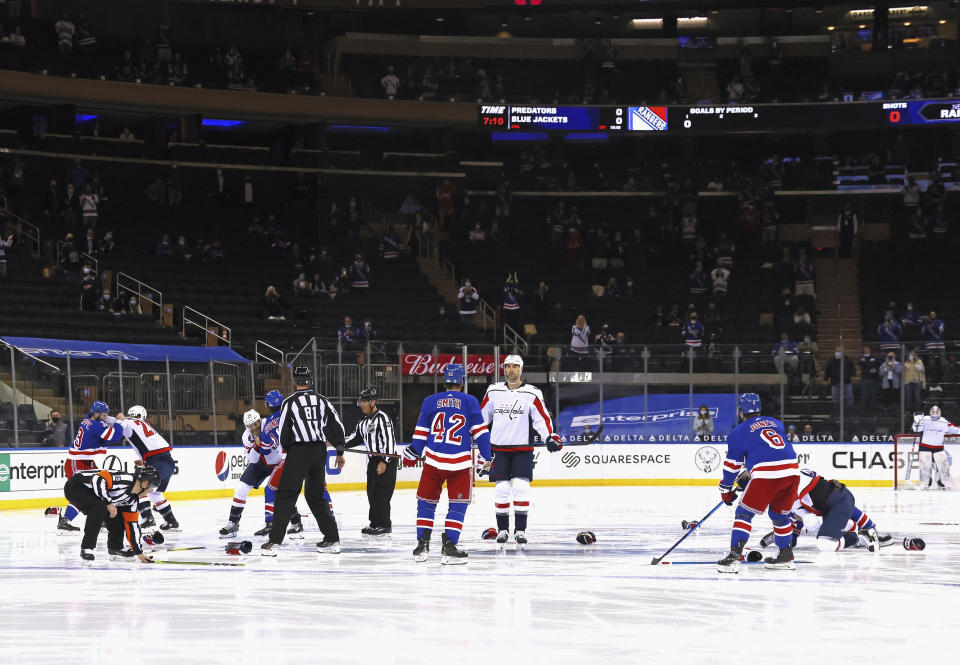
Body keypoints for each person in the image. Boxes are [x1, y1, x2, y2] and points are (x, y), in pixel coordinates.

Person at [403, 364, 492, 564]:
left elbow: (421, 433)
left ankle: (422, 545)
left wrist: (413, 451)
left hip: (433, 460)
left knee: (425, 503)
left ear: (445, 381)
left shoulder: (430, 401)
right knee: (457, 506)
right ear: (462, 381)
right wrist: (487, 456)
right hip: (460, 464)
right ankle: (449, 547)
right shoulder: (470, 401)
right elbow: (480, 433)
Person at [480, 355, 562, 548]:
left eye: (515, 366)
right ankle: (502, 530)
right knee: (501, 490)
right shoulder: (493, 390)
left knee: (520, 488)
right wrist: (474, 437)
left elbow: (541, 419)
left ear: (521, 370)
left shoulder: (532, 393)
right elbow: (482, 418)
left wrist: (549, 437)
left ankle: (520, 531)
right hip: (498, 449)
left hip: (522, 449)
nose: (511, 370)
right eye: (507, 366)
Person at [262, 367, 346, 556]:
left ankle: (274, 542)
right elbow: (337, 425)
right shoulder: (323, 400)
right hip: (319, 450)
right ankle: (332, 539)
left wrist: (292, 451)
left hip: (299, 451)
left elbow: (284, 432)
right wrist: (339, 449)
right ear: (310, 380)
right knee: (316, 496)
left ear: (295, 382)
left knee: (285, 495)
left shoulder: (289, 402)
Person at [716, 393, 800, 573]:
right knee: (779, 515)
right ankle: (786, 555)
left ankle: (733, 557)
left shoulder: (737, 433)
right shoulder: (776, 423)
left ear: (740, 412)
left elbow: (732, 466)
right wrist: (750, 472)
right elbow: (769, 450)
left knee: (743, 514)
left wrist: (725, 489)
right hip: (793, 472)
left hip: (767, 475)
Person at [220, 392, 306, 539]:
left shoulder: (270, 423)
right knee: (241, 489)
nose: (254, 427)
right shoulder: (246, 437)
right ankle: (233, 524)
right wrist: (257, 445)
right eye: (250, 426)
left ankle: (296, 523)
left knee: (281, 493)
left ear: (260, 420)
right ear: (246, 426)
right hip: (260, 463)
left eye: (256, 423)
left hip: (279, 461)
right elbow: (253, 459)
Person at [101, 406, 179, 531]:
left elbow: (114, 421)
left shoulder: (128, 422)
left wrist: (101, 416)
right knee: (156, 493)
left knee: (138, 488)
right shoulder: (145, 424)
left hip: (156, 461)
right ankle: (171, 522)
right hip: (168, 462)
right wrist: (146, 462)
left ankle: (147, 518)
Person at [772, 468, 884, 553]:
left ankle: (860, 536)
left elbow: (811, 523)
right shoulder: (796, 472)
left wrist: (783, 535)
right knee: (837, 517)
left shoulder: (788, 493)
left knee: (824, 544)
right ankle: (864, 529)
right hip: (839, 497)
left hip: (838, 503)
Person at [63, 465, 158, 564]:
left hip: (94, 495)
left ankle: (115, 548)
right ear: (145, 484)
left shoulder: (132, 500)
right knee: (99, 507)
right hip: (75, 486)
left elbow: (132, 525)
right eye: (151, 489)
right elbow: (98, 479)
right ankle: (87, 548)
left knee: (117, 515)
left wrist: (139, 553)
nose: (149, 492)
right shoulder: (126, 479)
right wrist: (108, 503)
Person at [344, 387, 397, 536]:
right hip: (373, 462)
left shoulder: (383, 418)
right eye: (361, 401)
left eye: (364, 401)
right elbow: (355, 438)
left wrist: (384, 461)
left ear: (373, 402)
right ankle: (375, 523)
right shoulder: (363, 423)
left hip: (385, 461)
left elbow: (389, 442)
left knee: (382, 494)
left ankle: (385, 524)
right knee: (372, 493)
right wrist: (339, 443)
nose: (361, 404)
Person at [58, 401, 113, 533]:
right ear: (96, 414)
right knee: (83, 493)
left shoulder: (90, 420)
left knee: (97, 488)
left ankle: (99, 520)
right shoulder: (94, 424)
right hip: (76, 462)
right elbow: (113, 435)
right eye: (104, 415)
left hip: (85, 461)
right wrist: (118, 423)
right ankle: (65, 521)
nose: (105, 418)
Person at [911, 406, 959, 489]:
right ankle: (926, 483)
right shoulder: (925, 419)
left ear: (940, 412)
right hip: (925, 447)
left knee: (943, 467)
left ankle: (942, 482)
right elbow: (916, 429)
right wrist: (916, 422)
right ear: (930, 412)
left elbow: (954, 429)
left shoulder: (944, 421)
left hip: (938, 447)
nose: (935, 413)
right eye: (933, 412)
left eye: (937, 412)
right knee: (925, 467)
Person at [859, 346, 881, 414]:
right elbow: (861, 364)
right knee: (864, 395)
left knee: (873, 395)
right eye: (865, 349)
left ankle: (872, 409)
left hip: (873, 379)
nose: (866, 350)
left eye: (867, 349)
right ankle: (864, 410)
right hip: (864, 379)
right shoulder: (861, 358)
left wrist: (875, 370)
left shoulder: (875, 357)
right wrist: (865, 361)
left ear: (870, 350)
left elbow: (878, 365)